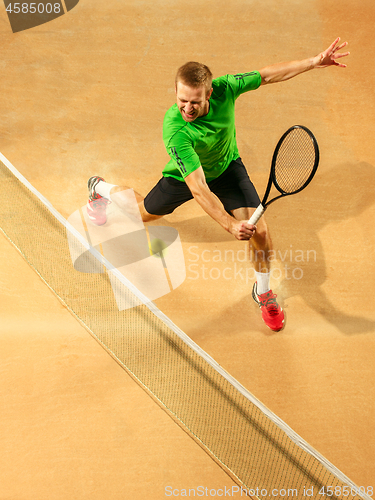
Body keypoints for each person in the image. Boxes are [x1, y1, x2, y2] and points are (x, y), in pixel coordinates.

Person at [86, 38, 349, 332]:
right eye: (181, 100)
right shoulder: (176, 130)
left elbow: (265, 76)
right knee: (141, 213)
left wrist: (313, 62)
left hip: (226, 169)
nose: (187, 107)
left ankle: (263, 291)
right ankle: (100, 189)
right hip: (185, 177)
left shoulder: (225, 88)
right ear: (175, 91)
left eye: (195, 101)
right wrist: (229, 225)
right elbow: (198, 188)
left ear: (210, 93)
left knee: (260, 232)